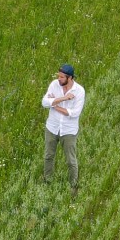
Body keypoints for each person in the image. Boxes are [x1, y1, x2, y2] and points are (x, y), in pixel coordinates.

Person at [42, 63, 86, 196]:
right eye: (58, 76)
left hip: (69, 131)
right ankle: (47, 180)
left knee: (70, 160)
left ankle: (73, 185)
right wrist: (63, 98)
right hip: (52, 127)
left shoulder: (79, 91)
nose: (59, 79)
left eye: (62, 77)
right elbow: (44, 102)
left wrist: (54, 105)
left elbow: (74, 113)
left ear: (70, 78)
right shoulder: (55, 84)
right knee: (48, 156)